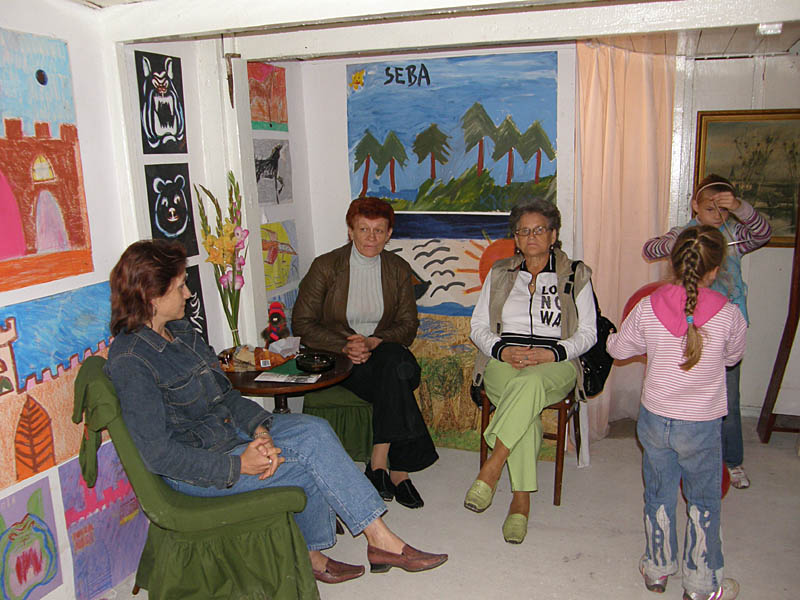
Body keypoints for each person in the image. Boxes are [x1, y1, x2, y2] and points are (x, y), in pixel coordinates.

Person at [104, 240, 447, 586]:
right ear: (152, 296)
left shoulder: (183, 334)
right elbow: (159, 455)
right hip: (201, 469)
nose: (188, 293)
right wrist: (239, 465)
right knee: (307, 464)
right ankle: (355, 548)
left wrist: (259, 429)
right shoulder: (131, 361)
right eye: (180, 286)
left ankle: (369, 542)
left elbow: (226, 395)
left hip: (230, 434)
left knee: (315, 430)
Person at [609, 225, 747, 600]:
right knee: (703, 501)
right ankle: (702, 584)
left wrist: (614, 338)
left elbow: (619, 350)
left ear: (673, 262)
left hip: (655, 420)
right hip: (701, 425)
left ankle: (656, 569)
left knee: (659, 493)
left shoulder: (647, 306)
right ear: (715, 270)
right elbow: (732, 358)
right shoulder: (729, 315)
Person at [464, 199, 598, 544]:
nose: (531, 236)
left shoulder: (575, 274)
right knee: (525, 405)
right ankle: (520, 502)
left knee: (530, 384)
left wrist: (552, 352)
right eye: (523, 231)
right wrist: (502, 350)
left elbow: (588, 333)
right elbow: (478, 326)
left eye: (539, 229)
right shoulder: (501, 273)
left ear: (553, 234)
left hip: (556, 363)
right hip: (503, 360)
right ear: (516, 238)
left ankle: (493, 466)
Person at [292, 197, 438, 509]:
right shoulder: (326, 266)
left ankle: (379, 463)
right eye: (363, 229)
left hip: (382, 351)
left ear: (389, 234)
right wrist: (345, 345)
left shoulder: (397, 269)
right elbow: (302, 323)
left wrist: (374, 341)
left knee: (394, 363)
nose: (371, 237)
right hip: (340, 357)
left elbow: (408, 326)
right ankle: (399, 471)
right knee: (399, 374)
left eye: (379, 230)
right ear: (350, 231)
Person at [642, 174, 771, 489]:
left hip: (724, 332)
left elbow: (763, 233)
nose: (717, 214)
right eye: (710, 208)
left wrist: (740, 207)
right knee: (681, 394)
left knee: (728, 399)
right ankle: (678, 453)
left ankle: (732, 461)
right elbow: (650, 249)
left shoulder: (734, 236)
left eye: (723, 208)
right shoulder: (684, 233)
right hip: (685, 328)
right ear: (695, 206)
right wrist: (683, 243)